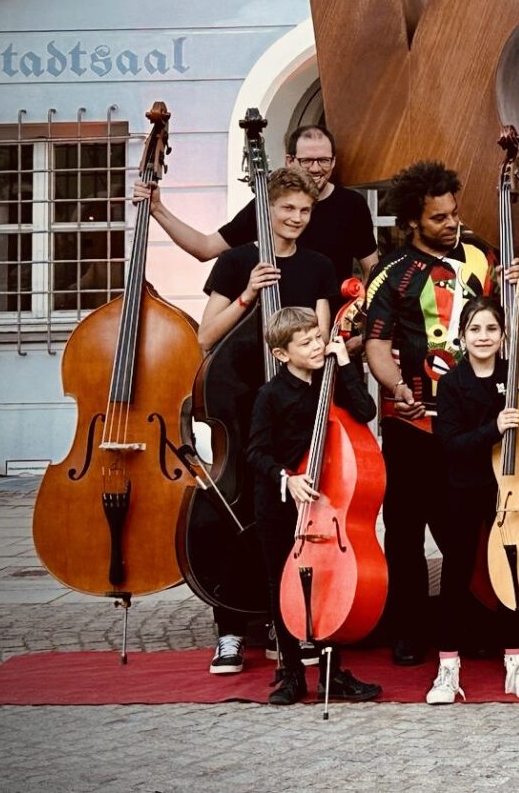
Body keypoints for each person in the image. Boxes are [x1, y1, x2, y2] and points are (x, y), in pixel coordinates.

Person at [197, 165, 340, 675]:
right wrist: (249, 295)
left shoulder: (318, 265)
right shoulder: (237, 262)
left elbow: (322, 342)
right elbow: (206, 337)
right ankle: (230, 631)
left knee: (298, 529)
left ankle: (295, 626)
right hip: (244, 410)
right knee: (244, 527)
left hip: (298, 415)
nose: (297, 218)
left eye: (305, 210)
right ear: (267, 208)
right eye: (287, 209)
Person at [363, 160, 498, 667]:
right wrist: (397, 387)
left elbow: (496, 321)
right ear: (413, 222)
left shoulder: (480, 255)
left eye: (454, 214)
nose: (451, 224)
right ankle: (409, 628)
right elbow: (375, 345)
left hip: (467, 420)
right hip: (411, 420)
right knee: (405, 528)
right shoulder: (391, 274)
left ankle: (462, 624)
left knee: (465, 526)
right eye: (439, 218)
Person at [246, 307, 382, 705]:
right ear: (282, 354)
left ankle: (330, 672)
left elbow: (366, 412)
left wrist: (345, 365)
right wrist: (287, 478)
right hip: (280, 502)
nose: (317, 346)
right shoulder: (269, 396)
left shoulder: (331, 378)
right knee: (281, 586)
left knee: (328, 580)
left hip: (326, 505)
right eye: (305, 343)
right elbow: (255, 452)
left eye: (317, 338)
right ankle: (290, 672)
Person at [424, 296, 519, 705]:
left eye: (491, 329)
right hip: (463, 488)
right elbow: (451, 444)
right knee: (457, 574)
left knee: (514, 571)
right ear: (461, 336)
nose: (483, 336)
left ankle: (516, 661)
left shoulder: (514, 377)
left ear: (503, 335)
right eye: (475, 329)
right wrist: (493, 427)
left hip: (510, 488)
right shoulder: (453, 383)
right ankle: (447, 666)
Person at [135, 123, 378, 280]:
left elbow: (372, 270)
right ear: (290, 160)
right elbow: (205, 248)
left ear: (333, 162)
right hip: (281, 330)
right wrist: (157, 209)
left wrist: (359, 325)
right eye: (307, 161)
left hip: (334, 334)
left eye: (324, 160)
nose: (316, 169)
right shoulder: (267, 204)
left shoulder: (352, 205)